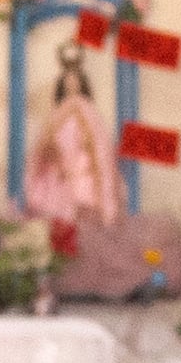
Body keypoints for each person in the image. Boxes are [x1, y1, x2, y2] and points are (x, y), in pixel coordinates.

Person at [22, 42, 118, 249]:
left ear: (82, 84)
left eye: (75, 82)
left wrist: (87, 155)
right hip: (62, 175)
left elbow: (99, 147)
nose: (71, 86)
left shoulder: (88, 112)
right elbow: (45, 144)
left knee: (87, 223)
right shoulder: (57, 114)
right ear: (62, 85)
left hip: (85, 174)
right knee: (62, 221)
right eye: (68, 82)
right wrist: (52, 153)